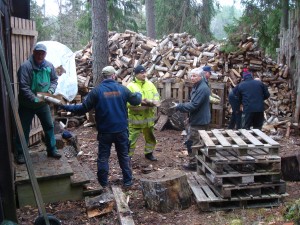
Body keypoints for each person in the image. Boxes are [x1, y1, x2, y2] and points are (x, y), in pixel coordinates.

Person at [60, 66, 142, 188]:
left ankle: (103, 184)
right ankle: (128, 181)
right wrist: (139, 94)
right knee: (124, 156)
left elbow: (82, 108)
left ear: (103, 76)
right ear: (114, 75)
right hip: (121, 131)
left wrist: (65, 106)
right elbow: (136, 101)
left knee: (103, 157)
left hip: (105, 132)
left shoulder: (96, 91)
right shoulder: (122, 89)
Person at [15, 43, 61, 164]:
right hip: (27, 105)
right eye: (38, 53)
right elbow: (23, 86)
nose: (40, 55)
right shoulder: (26, 66)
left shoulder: (49, 65)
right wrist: (34, 98)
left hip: (43, 104)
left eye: (42, 53)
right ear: (33, 52)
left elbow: (54, 80)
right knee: (23, 129)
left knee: (49, 126)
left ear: (45, 54)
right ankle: (21, 154)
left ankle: (52, 150)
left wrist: (50, 91)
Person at [172, 68, 211, 170]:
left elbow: (194, 105)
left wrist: (179, 106)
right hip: (197, 118)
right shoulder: (197, 86)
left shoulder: (202, 88)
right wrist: (190, 117)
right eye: (191, 75)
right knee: (195, 142)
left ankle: (194, 164)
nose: (192, 78)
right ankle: (199, 162)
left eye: (195, 76)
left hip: (200, 121)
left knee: (193, 143)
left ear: (200, 76)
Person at [127, 65, 160, 161]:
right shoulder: (130, 86)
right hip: (136, 119)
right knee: (131, 139)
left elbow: (156, 96)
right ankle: (128, 156)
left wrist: (154, 102)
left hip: (148, 117)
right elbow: (128, 103)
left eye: (145, 72)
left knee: (150, 138)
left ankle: (149, 153)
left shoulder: (150, 84)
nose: (144, 74)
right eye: (141, 73)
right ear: (136, 74)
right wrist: (140, 104)